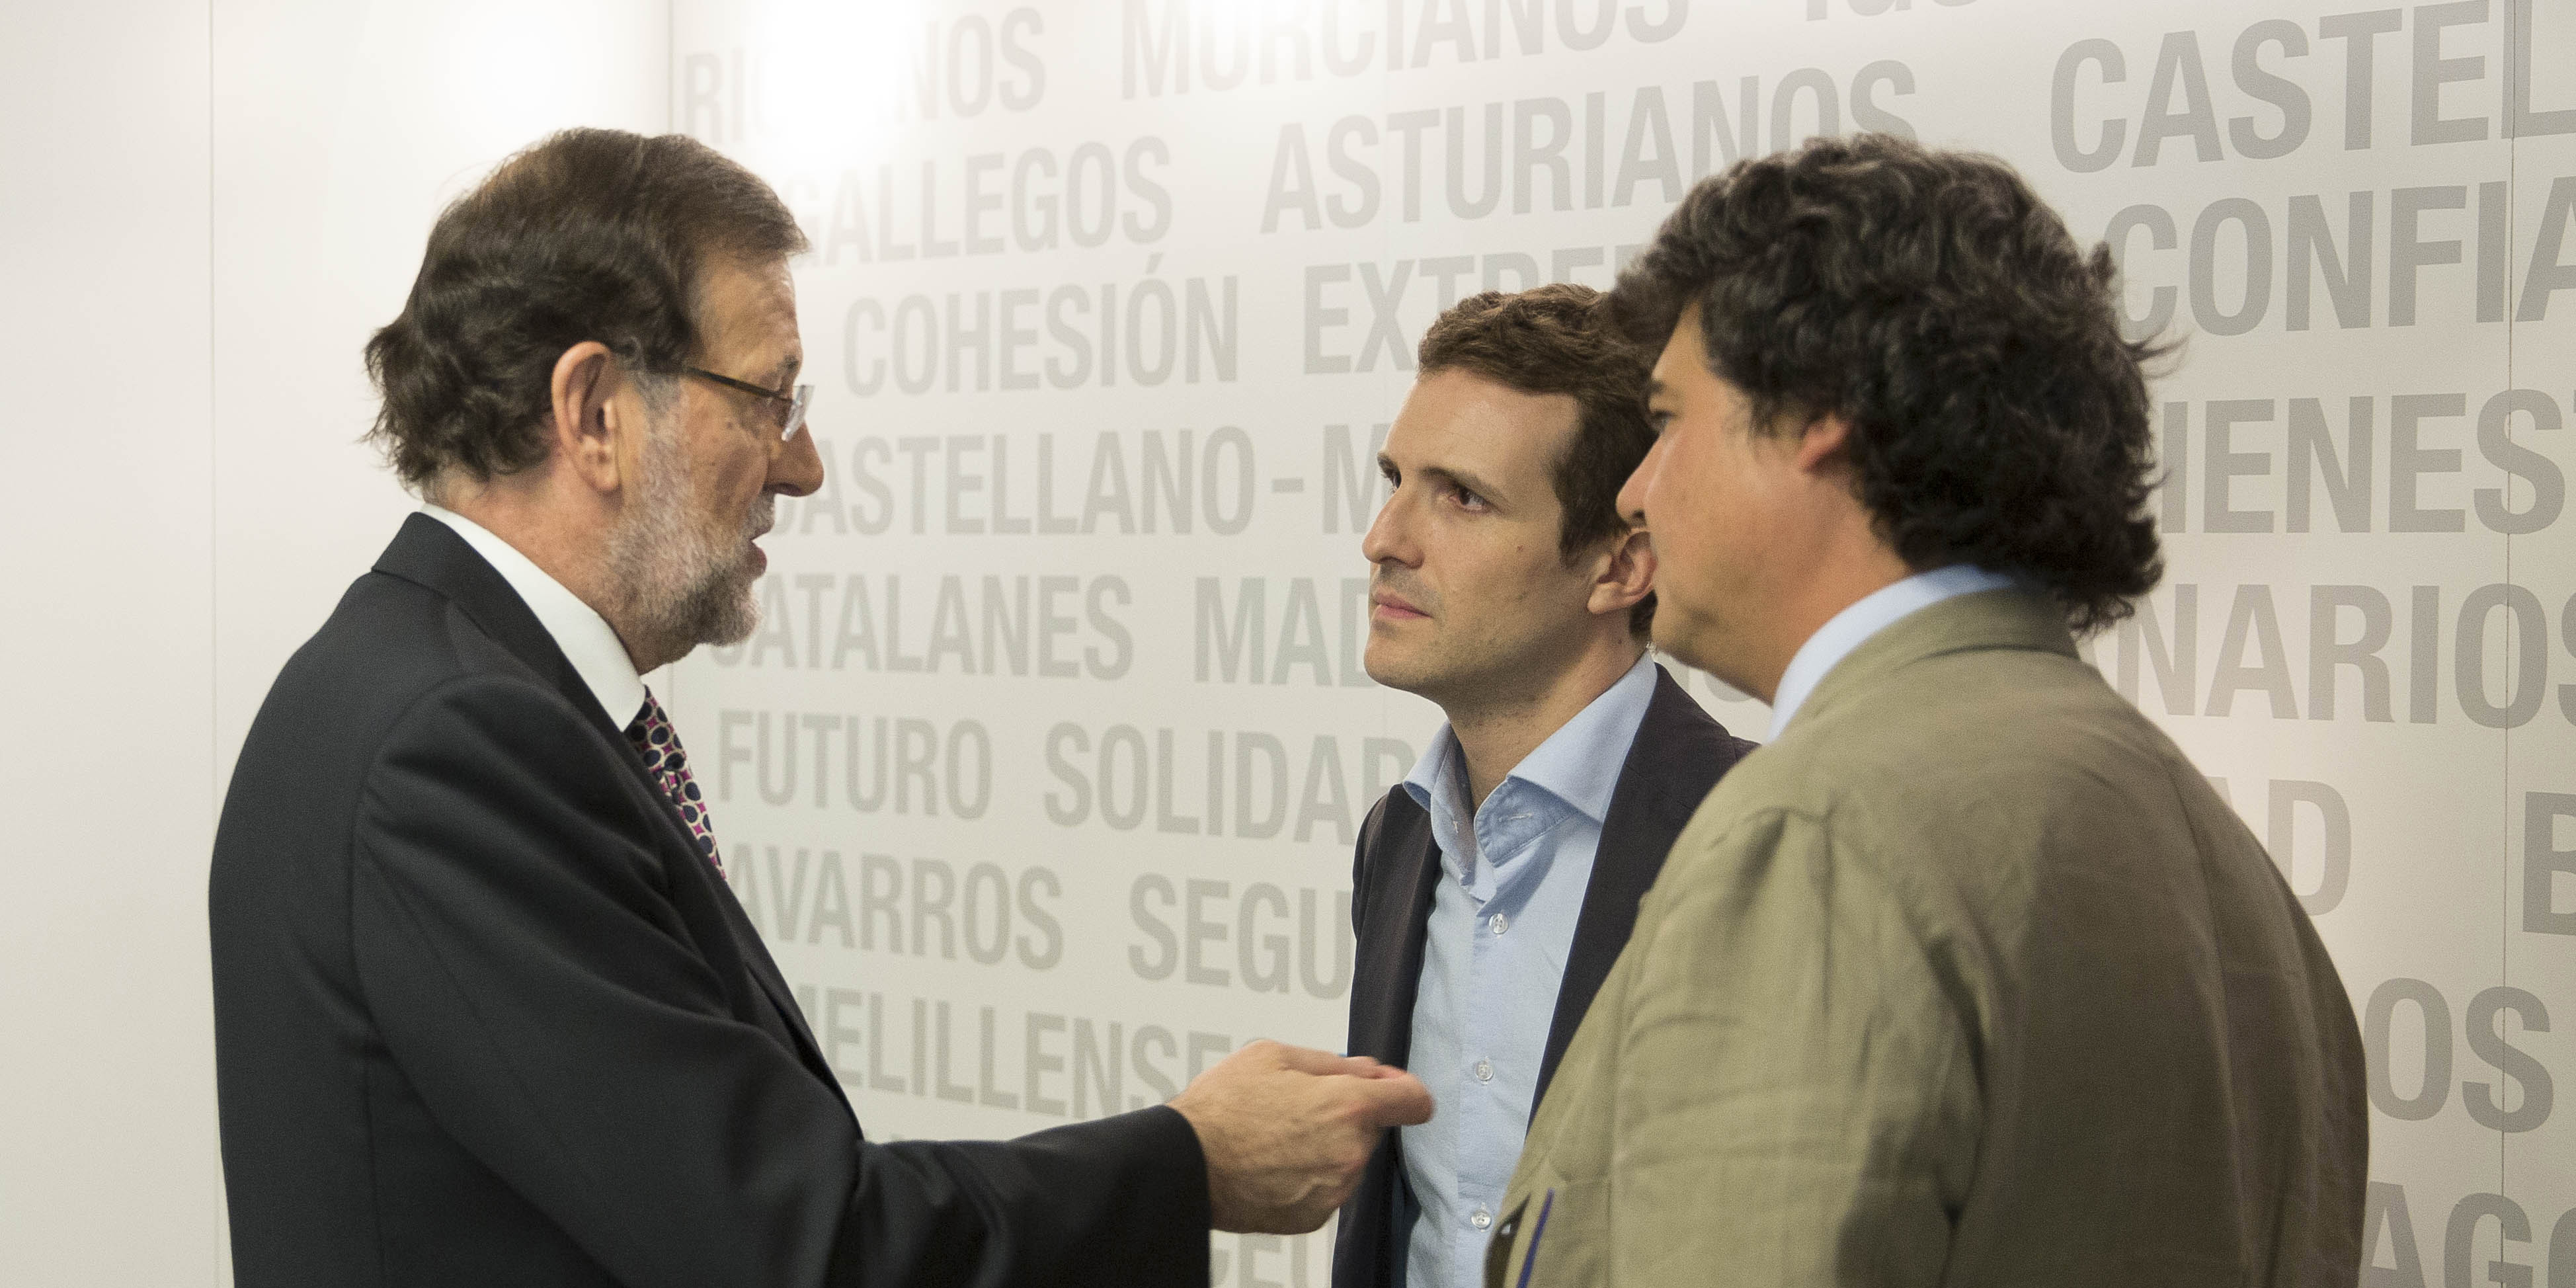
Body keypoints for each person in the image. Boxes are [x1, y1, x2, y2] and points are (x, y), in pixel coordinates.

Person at [208, 128, 1429, 1288]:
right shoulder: (458, 742)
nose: (803, 464)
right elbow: (790, 1245)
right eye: (769, 399)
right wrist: (1189, 1159)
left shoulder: (424, 684)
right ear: (593, 415)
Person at [1484, 135, 2367, 1286]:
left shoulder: (1819, 837)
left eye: (1665, 420)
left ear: (1819, 415)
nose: (1635, 490)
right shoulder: (2238, 883)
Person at [1331, 286, 1757, 1288]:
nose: (1385, 538)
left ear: (1622, 567)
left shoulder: (1756, 840)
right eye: (1397, 479)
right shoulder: (1398, 840)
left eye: (1463, 498)